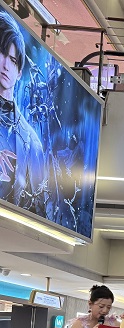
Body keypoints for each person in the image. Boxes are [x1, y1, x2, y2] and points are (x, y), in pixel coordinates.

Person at [0, 12, 47, 216]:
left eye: (13, 60)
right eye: (2, 53)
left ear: (19, 72)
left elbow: (38, 210)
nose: (5, 65)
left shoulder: (32, 142)